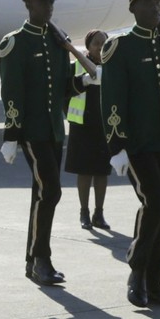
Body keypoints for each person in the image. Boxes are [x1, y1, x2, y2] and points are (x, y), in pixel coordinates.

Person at [101, 0, 160, 308]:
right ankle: (137, 269)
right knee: (155, 203)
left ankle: (154, 285)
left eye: (159, 3)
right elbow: (113, 100)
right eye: (150, 3)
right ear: (134, 7)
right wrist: (116, 146)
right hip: (135, 144)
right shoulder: (121, 47)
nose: (156, 8)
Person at [0, 0, 72, 286]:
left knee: (42, 194)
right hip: (31, 131)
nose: (49, 7)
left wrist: (88, 81)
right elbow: (12, 92)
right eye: (43, 3)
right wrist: (11, 135)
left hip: (54, 130)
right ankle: (42, 258)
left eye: (51, 2)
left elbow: (65, 87)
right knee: (51, 191)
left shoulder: (57, 41)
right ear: (28, 6)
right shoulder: (16, 43)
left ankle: (33, 260)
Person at [65, 30, 112, 230]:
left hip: (105, 126)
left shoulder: (112, 66)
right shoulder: (76, 66)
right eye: (97, 43)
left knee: (102, 172)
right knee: (84, 171)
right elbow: (65, 91)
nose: (100, 47)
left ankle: (98, 213)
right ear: (88, 45)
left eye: (104, 43)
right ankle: (84, 212)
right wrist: (83, 81)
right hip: (82, 125)